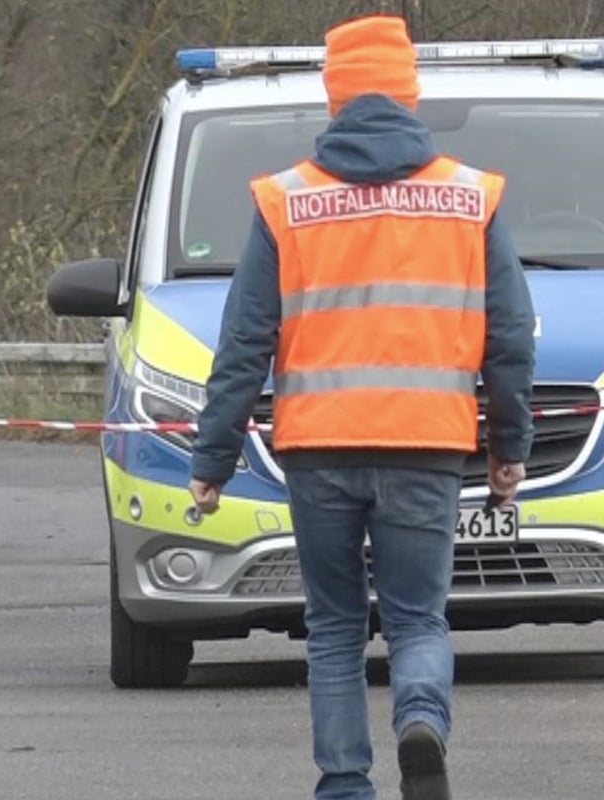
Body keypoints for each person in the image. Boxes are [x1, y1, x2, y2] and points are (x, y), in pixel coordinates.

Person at [186, 13, 536, 800]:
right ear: (409, 93)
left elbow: (245, 340)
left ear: (334, 97)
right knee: (419, 620)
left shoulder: (287, 201)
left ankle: (346, 785)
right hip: (426, 448)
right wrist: (508, 445)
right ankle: (421, 717)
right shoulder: (469, 196)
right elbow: (510, 338)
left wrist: (212, 458)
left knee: (336, 630)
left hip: (319, 451)